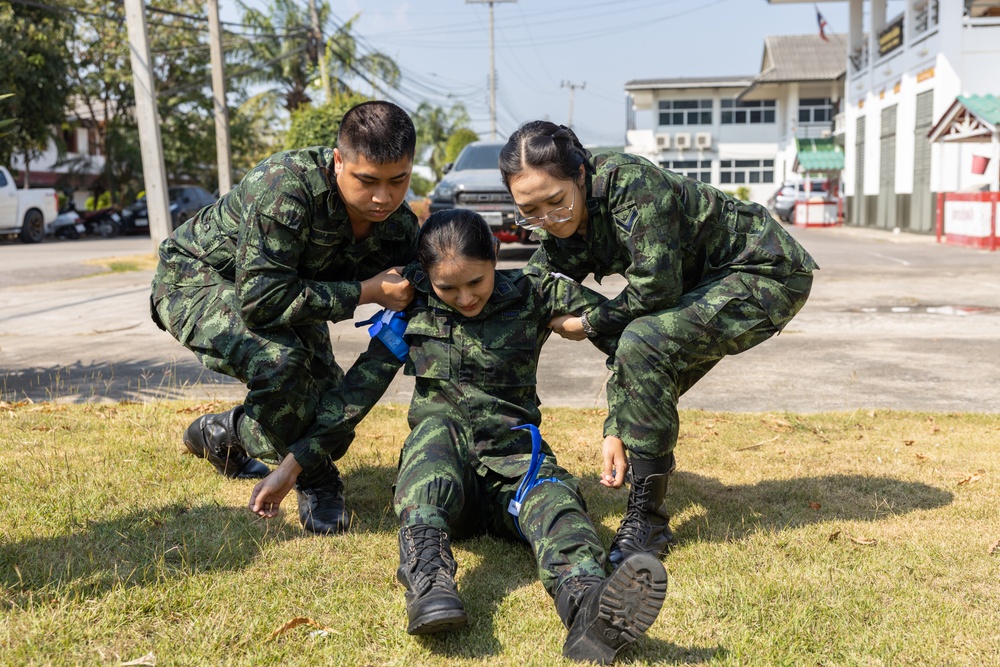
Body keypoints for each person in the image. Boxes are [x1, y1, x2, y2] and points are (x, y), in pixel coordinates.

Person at [499, 121, 818, 567]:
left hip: (764, 272)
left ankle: (647, 521)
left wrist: (589, 322)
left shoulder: (631, 184)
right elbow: (531, 287)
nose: (549, 220)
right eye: (529, 212)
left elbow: (655, 293)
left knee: (644, 344)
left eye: (556, 201)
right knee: (578, 315)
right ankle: (504, 456)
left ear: (581, 174)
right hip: (698, 285)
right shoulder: (557, 226)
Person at [387, 209, 666, 663]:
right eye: (447, 288)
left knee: (555, 501)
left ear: (496, 255)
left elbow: (631, 343)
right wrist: (301, 460)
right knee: (432, 438)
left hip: (514, 462)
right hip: (445, 479)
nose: (464, 297)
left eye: (475, 281)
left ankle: (587, 605)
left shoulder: (535, 292)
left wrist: (617, 426)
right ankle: (429, 582)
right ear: (426, 276)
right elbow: (359, 385)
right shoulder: (408, 297)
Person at [151, 100, 419, 535]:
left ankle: (227, 431)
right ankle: (315, 479)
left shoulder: (399, 228)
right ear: (338, 161)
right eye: (367, 180)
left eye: (398, 180)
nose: (383, 197)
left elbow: (408, 323)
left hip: (289, 288)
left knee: (324, 408)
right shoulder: (285, 186)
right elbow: (262, 301)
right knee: (281, 364)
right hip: (196, 277)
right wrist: (367, 292)